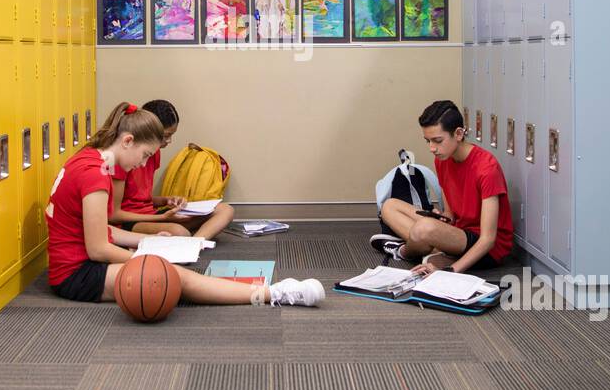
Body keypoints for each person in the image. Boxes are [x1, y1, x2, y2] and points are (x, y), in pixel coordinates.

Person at [46, 101, 322, 306]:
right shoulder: (95, 173)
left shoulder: (91, 160)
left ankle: (266, 290)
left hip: (79, 264)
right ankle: (273, 294)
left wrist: (147, 242)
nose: (143, 164)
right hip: (76, 274)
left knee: (168, 266)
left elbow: (106, 232)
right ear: (127, 141)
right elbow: (97, 249)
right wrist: (147, 259)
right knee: (173, 277)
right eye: (144, 155)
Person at [370, 99, 513, 276]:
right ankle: (432, 250)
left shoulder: (487, 169)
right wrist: (444, 218)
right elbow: (451, 214)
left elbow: (488, 239)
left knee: (424, 229)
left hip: (487, 249)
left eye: (437, 140)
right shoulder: (442, 160)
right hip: (459, 233)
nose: (432, 148)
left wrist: (451, 270)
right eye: (427, 141)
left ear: (459, 133)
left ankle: (403, 251)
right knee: (389, 206)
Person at [108, 99, 235, 240]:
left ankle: (195, 243)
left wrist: (165, 201)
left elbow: (139, 198)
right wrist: (162, 218)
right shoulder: (121, 159)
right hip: (131, 221)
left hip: (151, 214)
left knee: (225, 210)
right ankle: (186, 243)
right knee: (179, 232)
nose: (169, 141)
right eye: (166, 136)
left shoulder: (153, 152)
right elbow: (114, 214)